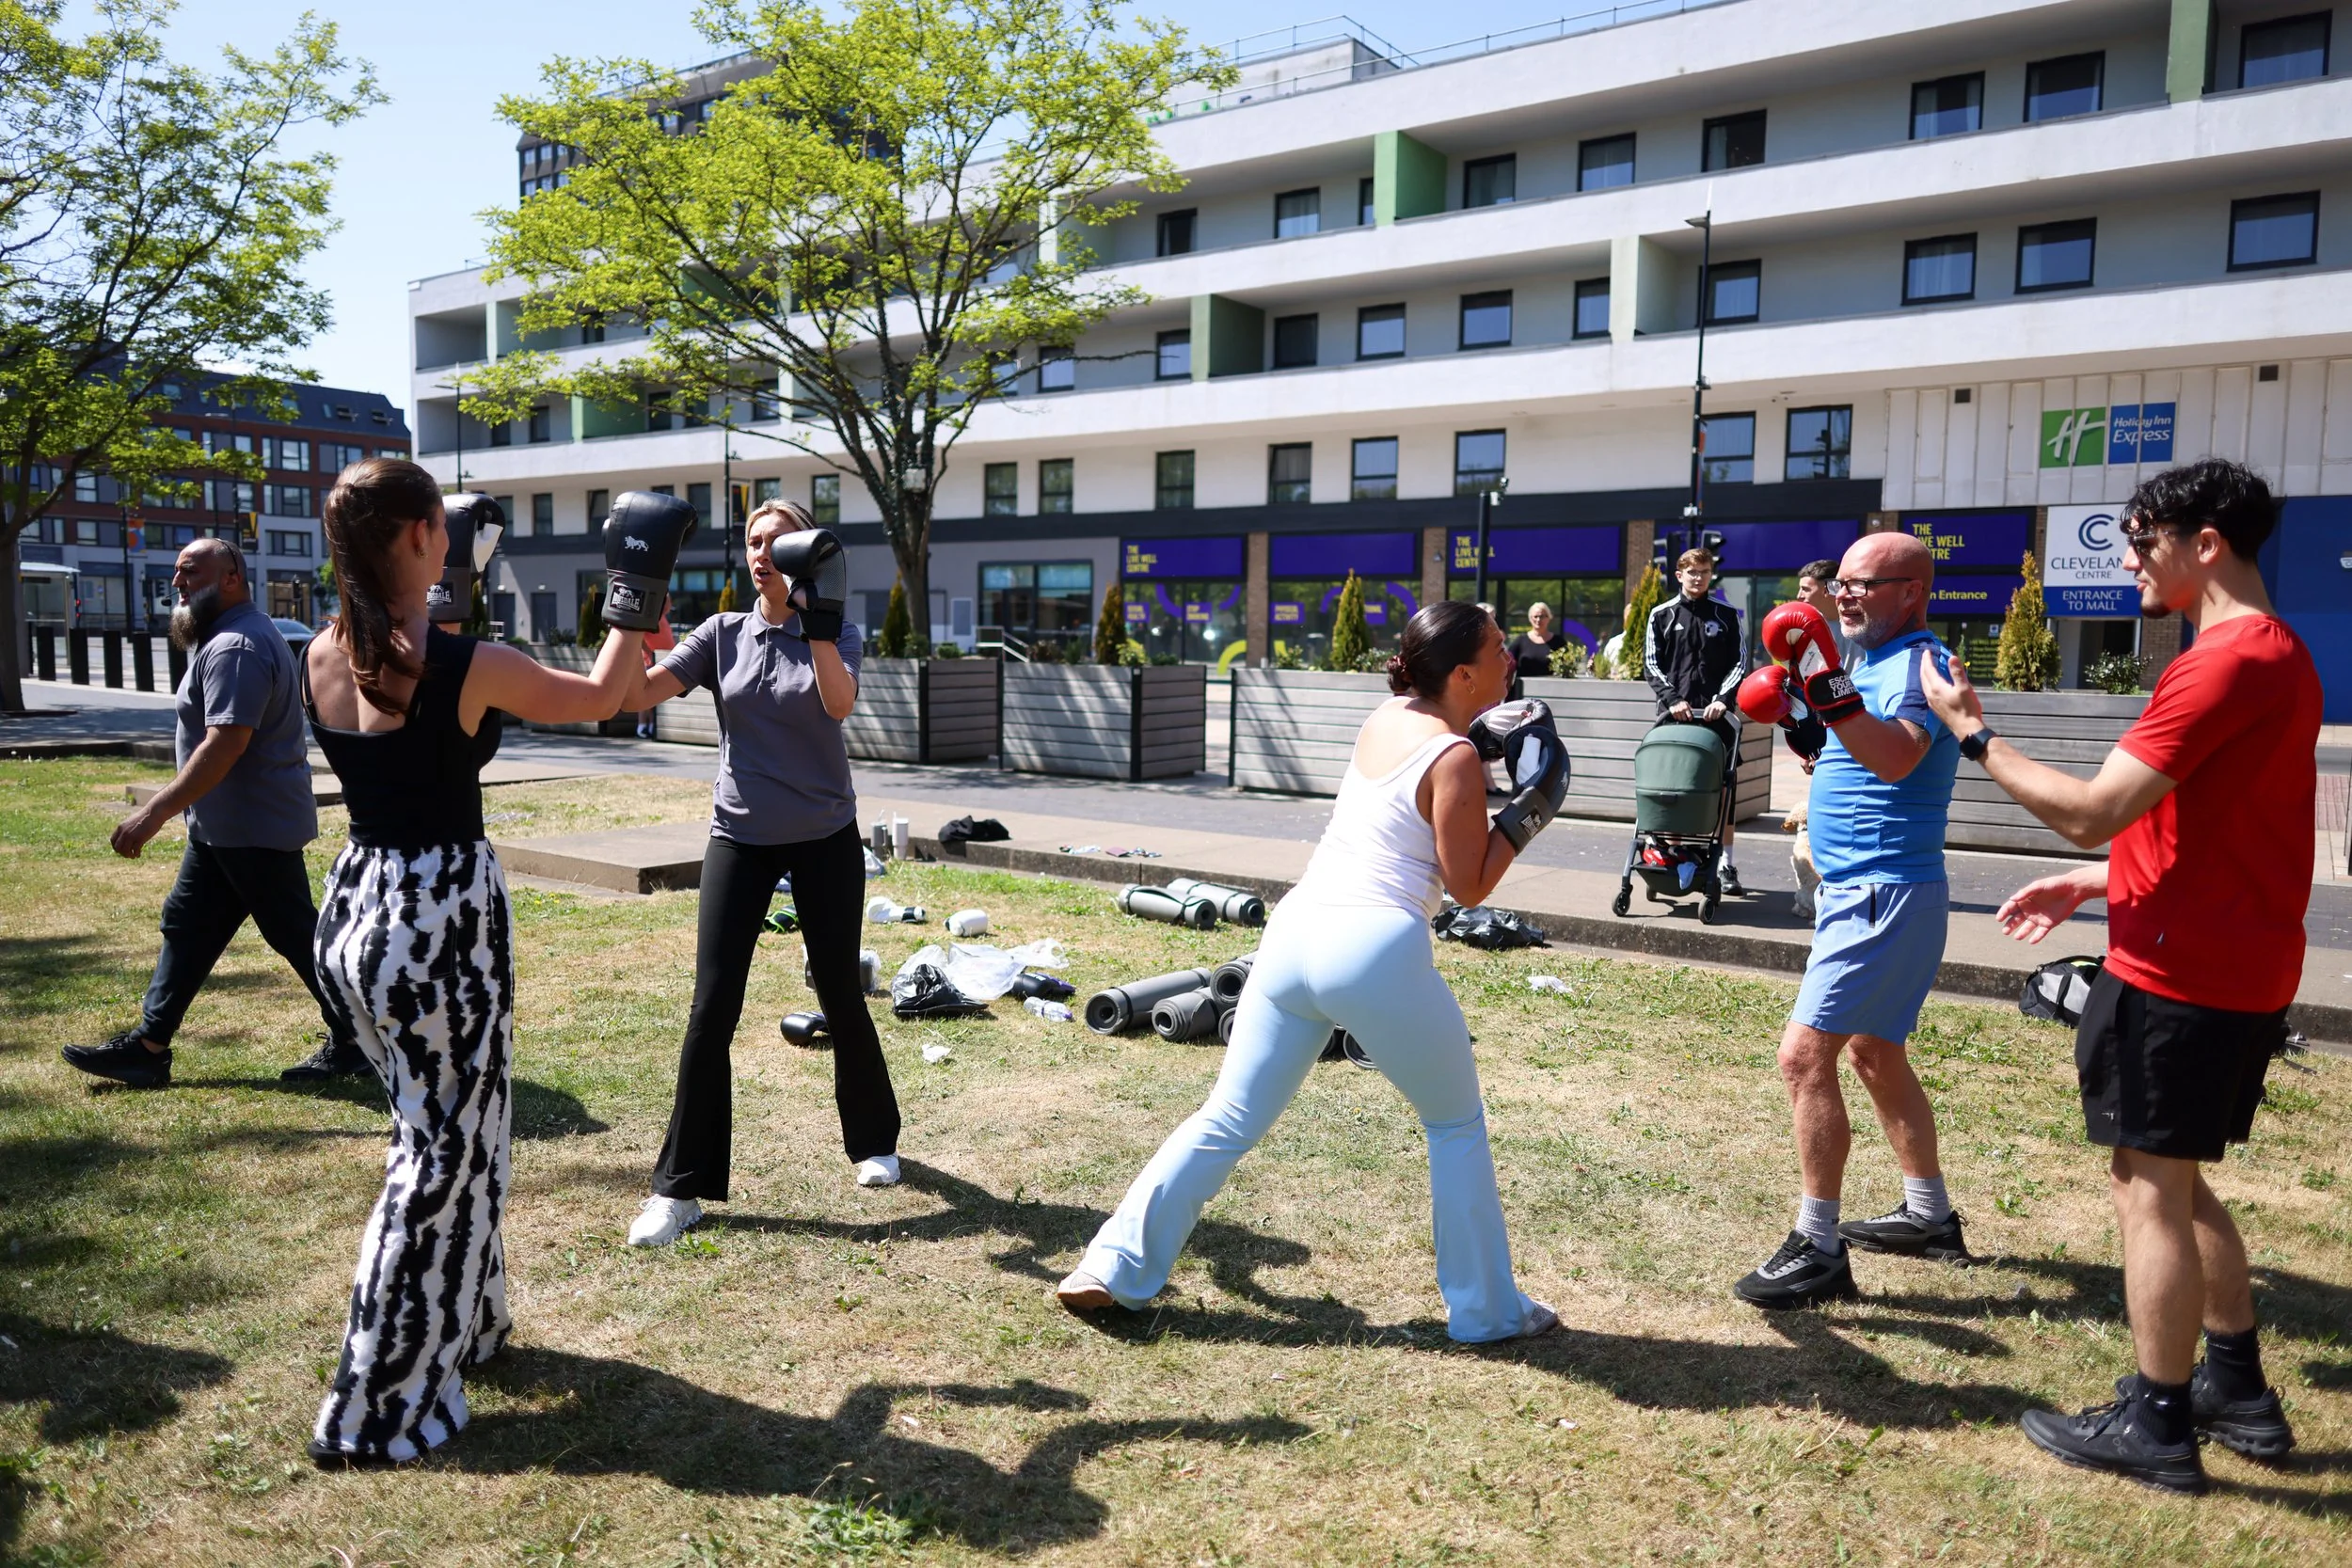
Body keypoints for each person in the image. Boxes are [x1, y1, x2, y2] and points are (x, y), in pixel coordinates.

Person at [1921, 459, 2318, 1494]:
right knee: (2178, 1180)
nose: (2131, 558)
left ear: (2206, 542)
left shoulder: (2220, 661)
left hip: (2181, 974)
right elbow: (2215, 830)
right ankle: (2236, 1389)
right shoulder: (2281, 655)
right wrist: (2096, 882)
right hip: (2233, 959)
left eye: (2143, 541)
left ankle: (2156, 1422)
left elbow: (2094, 802)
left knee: (2147, 1190)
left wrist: (1973, 732)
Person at [1057, 600, 1568, 1343]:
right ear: (1462, 671)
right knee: (1454, 1122)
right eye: (1497, 649)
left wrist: (1472, 737)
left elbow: (1411, 783)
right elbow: (1469, 884)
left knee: (1226, 1117)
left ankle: (1109, 1267)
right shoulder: (1454, 756)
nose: (1510, 659)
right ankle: (1488, 1311)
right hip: (1371, 945)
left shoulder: (1388, 716)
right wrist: (1534, 802)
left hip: (1293, 934)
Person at [301, 460, 666, 1465]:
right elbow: (604, 697)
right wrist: (635, 583)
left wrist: (447, 603)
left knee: (459, 1127)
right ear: (423, 534)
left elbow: (411, 693)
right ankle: (381, 1401)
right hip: (437, 924)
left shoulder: (323, 652)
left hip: (360, 909)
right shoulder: (467, 664)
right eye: (443, 538)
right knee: (438, 1155)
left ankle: (469, 1321)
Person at [619, 498, 900, 1248]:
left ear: (806, 551)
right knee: (713, 1003)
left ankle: (874, 1140)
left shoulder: (835, 626)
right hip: (739, 834)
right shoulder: (722, 634)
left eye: (777, 541)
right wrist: (636, 610)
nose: (761, 553)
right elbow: (637, 694)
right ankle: (678, 1190)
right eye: (752, 541)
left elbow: (839, 704)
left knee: (840, 990)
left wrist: (814, 624)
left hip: (824, 834)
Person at [1728, 531, 1968, 1307]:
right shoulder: (1876, 661)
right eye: (1842, 584)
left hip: (1879, 891)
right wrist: (1813, 728)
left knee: (1804, 1057)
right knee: (1873, 1052)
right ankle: (1930, 1215)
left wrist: (1823, 685)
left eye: (1866, 583)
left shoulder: (1923, 665)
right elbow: (1860, 748)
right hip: (1871, 891)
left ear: (1913, 591)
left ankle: (1818, 1245)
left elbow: (1897, 756)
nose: (1846, 595)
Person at [62, 537, 368, 1089]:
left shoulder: (237, 647)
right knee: (188, 927)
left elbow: (224, 744)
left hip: (252, 827)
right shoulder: (228, 637)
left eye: (190, 572)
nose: (178, 583)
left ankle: (360, 1041)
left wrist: (152, 814)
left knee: (297, 935)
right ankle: (149, 1047)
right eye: (177, 573)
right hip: (225, 828)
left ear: (231, 577)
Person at [1645, 547, 1748, 892]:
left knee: (1723, 791)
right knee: (1672, 787)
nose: (1698, 578)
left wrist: (1722, 700)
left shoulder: (1727, 615)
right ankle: (1676, 853)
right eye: (1692, 573)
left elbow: (1739, 663)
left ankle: (1725, 864)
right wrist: (1673, 701)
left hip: (1717, 718)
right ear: (1679, 575)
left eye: (1704, 572)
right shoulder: (1661, 615)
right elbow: (1651, 665)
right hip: (1674, 719)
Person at [1779, 559, 1853, 921]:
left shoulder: (1857, 634)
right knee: (1819, 828)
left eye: (1806, 589)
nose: (1799, 596)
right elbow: (1804, 697)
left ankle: (1844, 900)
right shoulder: (1805, 638)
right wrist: (1808, 745)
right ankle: (1820, 899)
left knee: (1845, 826)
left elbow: (1850, 696)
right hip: (1826, 748)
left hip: (1855, 746)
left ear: (1828, 589)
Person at [636, 600, 677, 738]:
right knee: (647, 694)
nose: (668, 605)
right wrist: (651, 653)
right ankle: (642, 726)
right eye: (666, 601)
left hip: (664, 659)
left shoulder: (662, 617)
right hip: (651, 661)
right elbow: (640, 639)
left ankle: (653, 725)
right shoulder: (649, 617)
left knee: (658, 696)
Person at [1507, 601, 1567, 680]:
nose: (1538, 620)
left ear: (1548, 618)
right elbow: (1507, 663)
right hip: (1523, 689)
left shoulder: (1559, 642)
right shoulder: (1520, 641)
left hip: (1551, 689)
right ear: (1530, 619)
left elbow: (1567, 666)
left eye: (1542, 616)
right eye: (1535, 616)